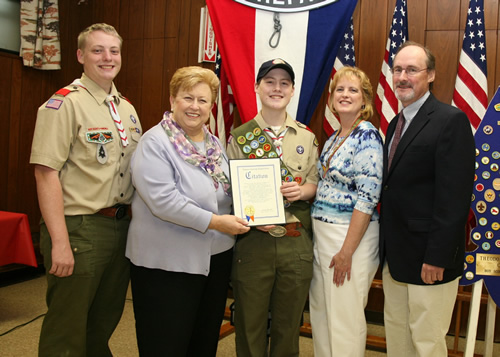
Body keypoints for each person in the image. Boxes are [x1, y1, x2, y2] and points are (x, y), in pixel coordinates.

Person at [30, 23, 142, 356]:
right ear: (81, 56)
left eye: (114, 50)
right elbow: (45, 173)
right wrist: (60, 242)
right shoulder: (64, 104)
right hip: (80, 229)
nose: (107, 57)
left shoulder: (127, 109)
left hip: (120, 227)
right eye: (98, 50)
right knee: (67, 327)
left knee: (102, 323)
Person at [125, 66, 249, 356]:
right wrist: (217, 222)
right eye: (188, 98)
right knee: (165, 345)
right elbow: (163, 201)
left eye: (203, 100)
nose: (195, 106)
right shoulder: (154, 143)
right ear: (172, 100)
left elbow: (229, 193)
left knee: (203, 342)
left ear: (211, 106)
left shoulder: (214, 144)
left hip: (213, 262)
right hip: (166, 265)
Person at [379, 41, 475, 357]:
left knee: (426, 342)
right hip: (397, 257)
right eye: (398, 70)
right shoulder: (395, 123)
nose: (403, 77)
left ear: (430, 74)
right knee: (398, 337)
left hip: (429, 261)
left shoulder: (451, 120)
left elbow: (455, 197)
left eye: (412, 70)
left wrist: (437, 256)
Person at [226, 58, 319, 356]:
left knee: (288, 329)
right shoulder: (240, 137)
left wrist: (301, 190)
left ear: (292, 91)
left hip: (295, 242)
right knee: (249, 326)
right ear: (256, 87)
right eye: (269, 81)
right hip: (254, 243)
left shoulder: (307, 137)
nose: (276, 88)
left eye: (284, 83)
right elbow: (229, 192)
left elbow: (315, 185)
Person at [309, 66, 383, 357]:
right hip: (324, 237)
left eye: (353, 90)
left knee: (345, 321)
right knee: (322, 313)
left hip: (350, 239)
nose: (345, 95)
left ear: (365, 100)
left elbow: (368, 197)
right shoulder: (335, 137)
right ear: (331, 99)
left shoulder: (366, 136)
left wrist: (346, 251)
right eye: (339, 89)